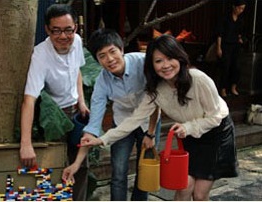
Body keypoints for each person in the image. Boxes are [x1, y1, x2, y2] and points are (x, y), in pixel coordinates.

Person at [81, 34, 239, 201]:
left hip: (216, 134)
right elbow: (134, 120)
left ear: (179, 58)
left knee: (200, 194)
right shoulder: (156, 91)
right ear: (152, 65)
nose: (165, 65)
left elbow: (216, 116)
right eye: (158, 61)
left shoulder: (199, 79)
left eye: (170, 58)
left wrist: (188, 128)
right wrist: (103, 139)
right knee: (184, 188)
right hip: (190, 136)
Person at [62, 28, 161, 201]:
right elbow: (92, 127)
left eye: (112, 51)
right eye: (102, 56)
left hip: (149, 121)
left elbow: (157, 99)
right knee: (118, 170)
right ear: (97, 60)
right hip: (122, 124)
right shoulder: (102, 82)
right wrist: (77, 163)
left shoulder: (143, 63)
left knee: (144, 170)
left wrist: (151, 133)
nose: (110, 59)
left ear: (121, 49)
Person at [19, 4, 89, 201]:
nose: (63, 36)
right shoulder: (40, 55)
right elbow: (29, 99)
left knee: (81, 164)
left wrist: (82, 101)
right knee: (57, 165)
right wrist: (26, 144)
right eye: (56, 30)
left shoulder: (77, 41)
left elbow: (77, 71)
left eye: (68, 30)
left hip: (77, 113)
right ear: (47, 30)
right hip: (54, 118)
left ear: (75, 27)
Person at [216, 0, 246, 97]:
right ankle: (223, 89)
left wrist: (240, 39)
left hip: (235, 45)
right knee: (226, 67)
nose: (241, 10)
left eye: (243, 9)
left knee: (236, 67)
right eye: (239, 8)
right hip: (225, 45)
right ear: (234, 7)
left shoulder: (241, 19)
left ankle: (233, 87)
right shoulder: (225, 17)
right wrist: (219, 47)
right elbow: (219, 34)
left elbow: (239, 33)